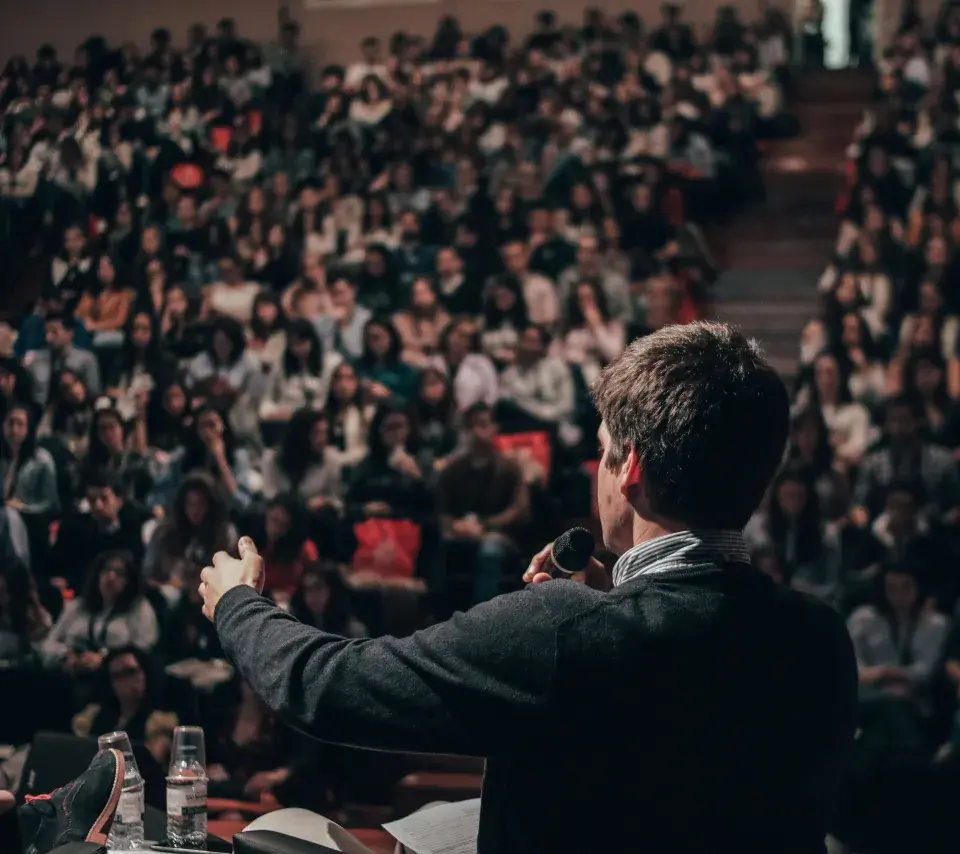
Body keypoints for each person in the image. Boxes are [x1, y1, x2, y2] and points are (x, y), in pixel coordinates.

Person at [198, 322, 858, 854]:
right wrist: (611, 603)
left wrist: (237, 603)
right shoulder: (819, 638)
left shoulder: (563, 631)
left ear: (629, 467)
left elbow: (325, 687)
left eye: (602, 450)